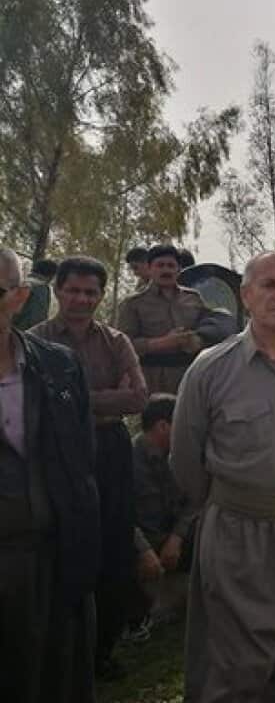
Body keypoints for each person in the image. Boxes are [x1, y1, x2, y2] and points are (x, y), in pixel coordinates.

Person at [171, 251, 275, 702]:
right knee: (234, 668)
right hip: (240, 538)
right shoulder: (211, 368)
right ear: (246, 295)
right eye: (269, 285)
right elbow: (187, 461)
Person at [31, 256, 149, 677]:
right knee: (64, 548)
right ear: (58, 291)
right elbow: (35, 406)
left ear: (101, 295)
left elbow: (138, 397)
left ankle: (103, 650)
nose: (82, 299)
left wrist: (69, 397)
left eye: (91, 292)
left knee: (114, 546)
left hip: (110, 449)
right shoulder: (33, 341)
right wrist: (100, 397)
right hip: (57, 453)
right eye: (73, 290)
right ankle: (60, 649)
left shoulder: (116, 341)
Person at [0, 248, 98, 702]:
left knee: (55, 679)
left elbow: (81, 464)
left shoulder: (56, 365)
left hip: (54, 561)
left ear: (19, 297)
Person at [130, 394, 194, 635]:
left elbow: (194, 501)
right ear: (163, 426)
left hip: (173, 541)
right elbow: (120, 515)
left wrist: (176, 538)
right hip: (142, 546)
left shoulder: (181, 457)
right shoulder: (127, 460)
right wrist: (144, 550)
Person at [115, 244, 213, 395]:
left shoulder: (193, 298)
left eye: (171, 266)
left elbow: (210, 329)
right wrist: (164, 343)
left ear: (178, 269)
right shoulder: (133, 304)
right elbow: (123, 347)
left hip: (191, 378)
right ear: (149, 268)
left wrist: (197, 340)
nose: (166, 270)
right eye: (160, 265)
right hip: (153, 381)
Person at [13, 258, 57, 331]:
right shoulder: (41, 288)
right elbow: (37, 318)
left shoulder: (21, 283)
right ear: (51, 275)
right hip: (25, 335)